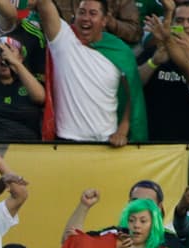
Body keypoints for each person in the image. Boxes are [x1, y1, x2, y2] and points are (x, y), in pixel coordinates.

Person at [33, 0, 146, 145]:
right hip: (65, 142)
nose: (86, 18)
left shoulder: (120, 51)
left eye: (93, 13)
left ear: (104, 20)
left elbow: (132, 95)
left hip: (106, 143)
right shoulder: (63, 39)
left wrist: (122, 131)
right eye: (82, 12)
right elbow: (44, 4)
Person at [140, 8, 189, 142]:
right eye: (179, 21)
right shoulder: (155, 51)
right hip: (155, 140)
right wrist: (153, 62)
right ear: (172, 26)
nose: (185, 26)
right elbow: (132, 85)